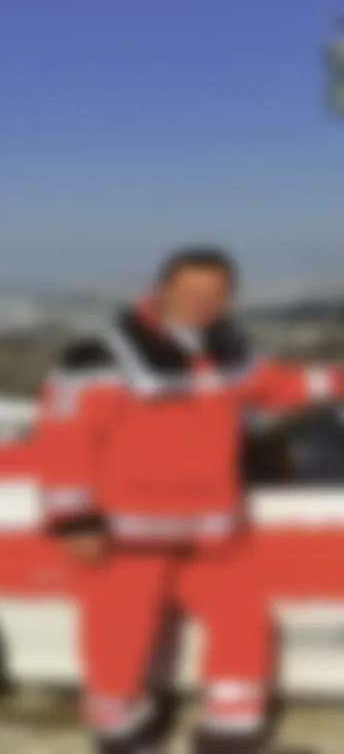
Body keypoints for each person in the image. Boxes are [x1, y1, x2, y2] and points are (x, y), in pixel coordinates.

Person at [36, 246, 332, 754]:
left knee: (244, 623)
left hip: (211, 534)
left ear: (228, 297)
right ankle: (120, 729)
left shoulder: (225, 350)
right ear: (164, 289)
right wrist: (74, 518)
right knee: (120, 634)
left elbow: (282, 386)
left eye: (215, 293)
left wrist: (335, 381)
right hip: (127, 534)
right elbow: (65, 437)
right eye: (192, 290)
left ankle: (232, 729)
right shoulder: (103, 354)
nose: (202, 301)